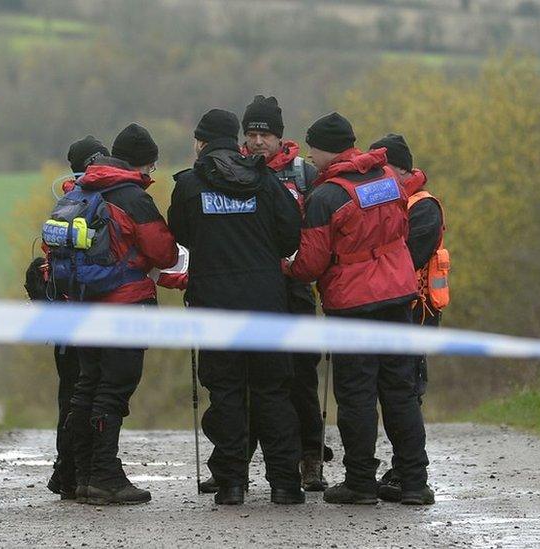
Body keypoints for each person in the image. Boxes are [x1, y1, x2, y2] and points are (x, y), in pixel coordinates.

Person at [287, 113, 433, 505]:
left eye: (313, 149)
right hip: (398, 296)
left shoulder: (326, 197)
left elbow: (311, 265)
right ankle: (415, 482)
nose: (311, 158)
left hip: (354, 305)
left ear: (323, 148)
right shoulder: (387, 177)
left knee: (356, 396)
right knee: (400, 392)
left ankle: (361, 483)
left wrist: (286, 266)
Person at [168, 108, 304, 505]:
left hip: (214, 306)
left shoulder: (190, 186)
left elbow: (180, 235)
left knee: (225, 393)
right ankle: (285, 484)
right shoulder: (265, 181)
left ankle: (230, 484)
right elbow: (290, 236)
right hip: (266, 303)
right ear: (238, 139)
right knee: (273, 392)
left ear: (200, 142)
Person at [66, 123, 179, 505]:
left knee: (87, 387)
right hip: (125, 306)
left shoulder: (83, 188)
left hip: (82, 305)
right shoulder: (131, 196)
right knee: (113, 391)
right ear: (145, 165)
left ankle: (81, 476)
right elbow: (164, 253)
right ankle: (105, 476)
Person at [241, 95, 329, 492]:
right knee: (245, 379)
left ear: (280, 137)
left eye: (266, 134)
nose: (258, 141)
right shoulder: (234, 170)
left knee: (300, 377)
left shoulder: (305, 174)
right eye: (252, 133)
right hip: (251, 290)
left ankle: (311, 458)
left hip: (294, 287)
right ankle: (234, 462)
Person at [26, 135, 109, 500]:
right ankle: (77, 472)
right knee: (87, 394)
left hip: (62, 314)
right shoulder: (100, 199)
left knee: (70, 396)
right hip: (89, 309)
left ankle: (67, 472)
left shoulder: (62, 202)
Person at [369, 133, 447, 502]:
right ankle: (403, 467)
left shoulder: (423, 206)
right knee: (394, 391)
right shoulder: (391, 200)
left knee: (407, 392)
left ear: (400, 167)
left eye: (383, 168)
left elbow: (410, 256)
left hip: (417, 310)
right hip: (394, 305)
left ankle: (410, 470)